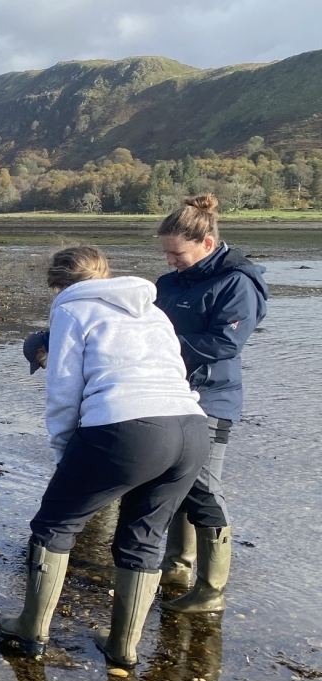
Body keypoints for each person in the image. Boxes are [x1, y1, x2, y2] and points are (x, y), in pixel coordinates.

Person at [0, 246, 208, 667]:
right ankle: (123, 647)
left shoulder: (71, 311)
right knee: (143, 537)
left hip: (126, 426)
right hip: (191, 425)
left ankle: (31, 628)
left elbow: (63, 391)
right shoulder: (153, 310)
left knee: (55, 522)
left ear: (59, 285)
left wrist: (63, 451)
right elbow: (175, 369)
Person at [154, 194, 268, 613]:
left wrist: (162, 347)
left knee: (203, 485)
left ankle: (211, 589)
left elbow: (225, 342)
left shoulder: (237, 282)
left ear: (206, 242)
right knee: (174, 479)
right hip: (169, 392)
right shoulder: (170, 283)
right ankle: (177, 564)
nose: (169, 261)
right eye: (165, 253)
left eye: (176, 253)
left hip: (213, 397)